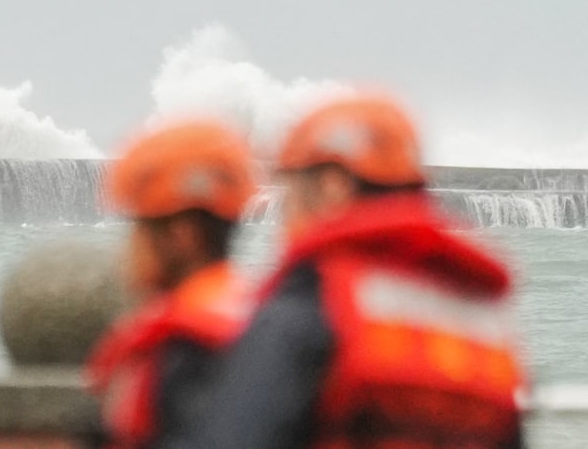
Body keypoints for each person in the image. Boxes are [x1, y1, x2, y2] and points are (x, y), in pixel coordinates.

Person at [184, 93, 526, 449]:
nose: (284, 221)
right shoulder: (486, 323)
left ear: (333, 187)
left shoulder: (313, 303)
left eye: (290, 195)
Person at [85, 120, 259, 449]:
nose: (128, 248)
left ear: (182, 234)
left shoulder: (186, 352)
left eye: (138, 226)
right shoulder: (261, 318)